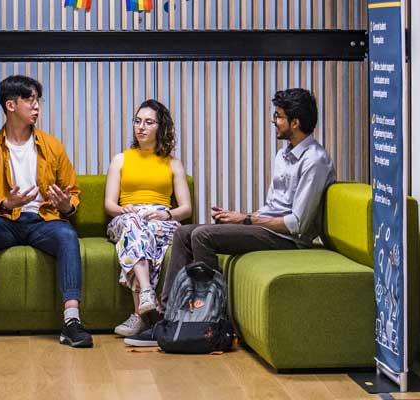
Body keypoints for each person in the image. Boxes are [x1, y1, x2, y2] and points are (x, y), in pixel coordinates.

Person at [125, 88, 334, 348]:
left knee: (203, 236)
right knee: (183, 233)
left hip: (289, 239)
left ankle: (210, 324)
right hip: (270, 229)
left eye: (278, 116)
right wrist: (238, 218)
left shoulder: (315, 161)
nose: (273, 121)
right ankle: (167, 320)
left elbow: (297, 224)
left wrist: (244, 220)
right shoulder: (284, 155)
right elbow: (271, 208)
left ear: (295, 123)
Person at [0, 75, 93, 348]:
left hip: (43, 220)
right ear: (10, 105)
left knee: (67, 235)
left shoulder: (52, 146)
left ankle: (72, 321)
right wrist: (5, 204)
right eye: (29, 100)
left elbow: (73, 193)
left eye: (38, 100)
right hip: (5, 221)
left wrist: (66, 205)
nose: (36, 106)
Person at [102, 99, 192, 336]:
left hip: (159, 220)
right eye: (137, 121)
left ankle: (139, 314)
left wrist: (166, 213)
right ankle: (146, 294)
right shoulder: (120, 159)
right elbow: (110, 204)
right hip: (126, 217)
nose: (141, 127)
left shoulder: (173, 164)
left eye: (148, 122)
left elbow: (186, 209)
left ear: (161, 128)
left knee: (147, 232)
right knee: (134, 226)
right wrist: (126, 210)